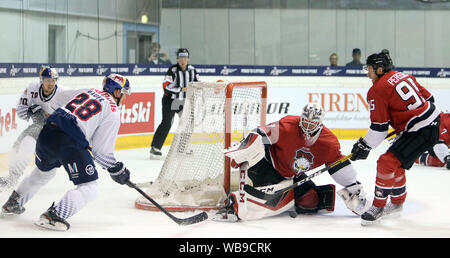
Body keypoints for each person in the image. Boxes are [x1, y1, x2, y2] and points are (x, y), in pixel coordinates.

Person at [1, 73, 132, 231]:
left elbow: (56, 100)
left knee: (44, 173)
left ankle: (13, 203)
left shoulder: (87, 91)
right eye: (124, 94)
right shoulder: (112, 111)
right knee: (90, 187)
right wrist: (117, 169)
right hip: (68, 142)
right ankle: (53, 216)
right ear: (117, 92)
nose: (124, 98)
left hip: (47, 133)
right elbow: (101, 153)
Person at [214, 103, 370, 222]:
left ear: (320, 123)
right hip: (266, 167)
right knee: (280, 201)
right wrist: (246, 146)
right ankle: (235, 203)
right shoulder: (288, 126)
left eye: (312, 122)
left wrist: (353, 187)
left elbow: (338, 164)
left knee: (311, 199)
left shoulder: (328, 143)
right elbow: (263, 132)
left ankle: (283, 195)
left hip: (291, 176)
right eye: (305, 121)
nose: (308, 126)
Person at [350, 52, 440, 226]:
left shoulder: (377, 90)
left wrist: (364, 146)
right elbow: (430, 99)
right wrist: (406, 124)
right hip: (430, 125)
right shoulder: (404, 76)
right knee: (395, 163)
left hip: (420, 130)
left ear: (379, 69)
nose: (367, 73)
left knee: (386, 162)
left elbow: (379, 128)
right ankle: (397, 203)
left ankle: (378, 206)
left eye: (369, 69)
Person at [0, 66, 72, 191]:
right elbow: (21, 111)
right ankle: (12, 178)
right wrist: (32, 112)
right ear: (41, 80)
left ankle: (15, 180)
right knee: (18, 145)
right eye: (48, 80)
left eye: (53, 80)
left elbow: (76, 112)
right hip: (38, 126)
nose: (51, 83)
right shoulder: (32, 88)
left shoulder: (63, 93)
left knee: (28, 145)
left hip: (55, 131)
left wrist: (59, 120)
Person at [149, 48, 200, 159]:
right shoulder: (172, 70)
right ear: (177, 59)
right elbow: (166, 86)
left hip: (184, 102)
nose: (183, 60)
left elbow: (198, 84)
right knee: (167, 122)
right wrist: (182, 89)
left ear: (188, 58)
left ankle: (182, 148)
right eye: (181, 57)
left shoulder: (192, 70)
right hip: (170, 101)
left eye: (185, 57)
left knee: (188, 124)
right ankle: (155, 147)